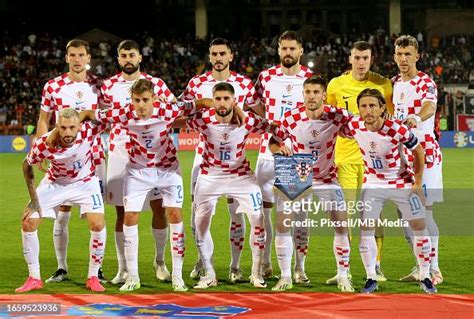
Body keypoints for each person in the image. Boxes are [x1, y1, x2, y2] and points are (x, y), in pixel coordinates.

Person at [82, 79, 213, 292]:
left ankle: (177, 276)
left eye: (145, 100)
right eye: (136, 100)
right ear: (131, 100)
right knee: (130, 217)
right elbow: (92, 115)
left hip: (167, 170)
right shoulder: (123, 113)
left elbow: (200, 103)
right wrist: (74, 118)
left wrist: (221, 105)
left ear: (153, 98)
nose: (141, 105)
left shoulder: (168, 108)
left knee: (174, 216)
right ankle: (132, 276)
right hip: (137, 171)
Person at [340, 88, 437, 294]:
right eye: (364, 106)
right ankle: (370, 277)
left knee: (419, 226)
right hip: (372, 183)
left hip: (401, 182)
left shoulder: (397, 129)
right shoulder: (354, 125)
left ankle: (426, 275)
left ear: (383, 107)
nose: (368, 110)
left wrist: (417, 182)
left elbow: (418, 150)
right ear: (358, 109)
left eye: (373, 105)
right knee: (366, 229)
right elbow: (336, 128)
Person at [180, 38, 259, 283]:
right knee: (198, 214)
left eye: (222, 53)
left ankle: (235, 266)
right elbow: (182, 108)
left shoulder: (244, 84)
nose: (218, 58)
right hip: (204, 157)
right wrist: (202, 103)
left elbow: (255, 115)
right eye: (214, 54)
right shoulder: (197, 82)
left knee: (237, 214)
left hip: (236, 160)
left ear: (231, 56)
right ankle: (203, 261)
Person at [100, 40, 176, 285]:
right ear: (118, 58)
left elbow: (173, 108)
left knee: (158, 207)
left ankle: (160, 262)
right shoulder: (108, 86)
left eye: (132, 54)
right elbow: (99, 119)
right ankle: (123, 269)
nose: (127, 59)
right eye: (123, 55)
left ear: (140, 57)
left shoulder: (157, 84)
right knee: (122, 213)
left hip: (152, 154)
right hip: (120, 152)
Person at [269, 76, 353, 292]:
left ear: (324, 95)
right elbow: (273, 142)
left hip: (327, 178)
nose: (311, 96)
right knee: (283, 224)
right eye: (308, 92)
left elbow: (358, 128)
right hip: (298, 176)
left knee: (342, 226)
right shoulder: (290, 117)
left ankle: (343, 276)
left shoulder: (337, 115)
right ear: (303, 94)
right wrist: (280, 149)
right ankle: (287, 276)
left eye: (316, 92)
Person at [35, 39, 107, 284]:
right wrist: (40, 146)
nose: (77, 59)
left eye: (81, 55)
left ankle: (96, 270)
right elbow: (44, 119)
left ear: (89, 58)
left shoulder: (100, 85)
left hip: (95, 156)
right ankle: (61, 268)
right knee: (62, 212)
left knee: (96, 214)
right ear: (67, 58)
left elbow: (109, 116)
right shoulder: (53, 86)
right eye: (73, 55)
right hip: (63, 157)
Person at [187, 82, 269, 289]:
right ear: (212, 100)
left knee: (259, 220)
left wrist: (282, 144)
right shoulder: (202, 119)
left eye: (226, 98)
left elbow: (274, 128)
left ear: (234, 100)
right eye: (218, 98)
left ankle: (256, 273)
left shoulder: (247, 121)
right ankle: (210, 274)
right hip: (210, 176)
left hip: (240, 176)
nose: (222, 103)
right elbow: (175, 117)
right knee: (200, 225)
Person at [16, 108, 107, 293]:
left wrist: (88, 113)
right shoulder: (45, 143)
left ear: (79, 125)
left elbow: (107, 115)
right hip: (55, 183)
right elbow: (27, 164)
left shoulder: (89, 130)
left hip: (85, 182)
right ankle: (34, 277)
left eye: (72, 127)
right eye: (63, 128)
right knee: (28, 222)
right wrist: (34, 199)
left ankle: (92, 276)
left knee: (98, 224)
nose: (67, 132)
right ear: (57, 126)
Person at [325, 41, 394, 284]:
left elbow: (390, 120)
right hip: (343, 160)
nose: (361, 62)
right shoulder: (336, 84)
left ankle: (376, 266)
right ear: (350, 59)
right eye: (357, 57)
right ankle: (343, 270)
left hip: (373, 162)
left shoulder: (383, 85)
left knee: (373, 217)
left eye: (365, 57)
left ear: (371, 59)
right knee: (342, 217)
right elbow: (329, 120)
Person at [254, 30, 313, 282]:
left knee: (299, 213)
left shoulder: (312, 79)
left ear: (301, 51)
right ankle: (266, 262)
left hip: (298, 154)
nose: (287, 53)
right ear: (278, 50)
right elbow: (254, 105)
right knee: (264, 212)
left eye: (292, 49)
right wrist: (269, 127)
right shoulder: (266, 77)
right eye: (283, 48)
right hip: (267, 153)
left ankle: (299, 267)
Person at [392, 35, 443, 285]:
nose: (403, 58)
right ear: (394, 56)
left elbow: (430, 107)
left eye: (408, 54)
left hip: (425, 152)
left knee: (424, 212)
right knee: (404, 215)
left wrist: (415, 118)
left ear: (417, 56)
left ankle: (434, 269)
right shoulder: (392, 84)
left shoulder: (426, 82)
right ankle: (421, 265)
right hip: (400, 155)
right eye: (400, 54)